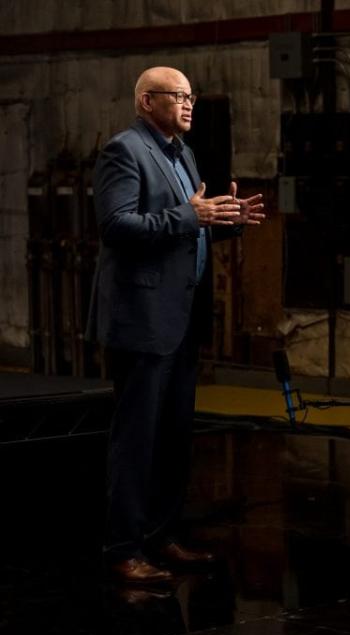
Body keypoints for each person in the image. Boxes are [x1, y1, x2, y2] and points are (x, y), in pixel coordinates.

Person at [86, 66, 265, 582]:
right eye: (178, 96)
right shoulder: (124, 151)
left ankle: (161, 537)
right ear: (147, 101)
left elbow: (189, 223)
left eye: (192, 96)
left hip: (180, 318)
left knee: (173, 437)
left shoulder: (181, 153)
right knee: (137, 439)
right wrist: (193, 217)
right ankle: (123, 549)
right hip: (142, 319)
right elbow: (117, 227)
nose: (189, 104)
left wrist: (223, 221)